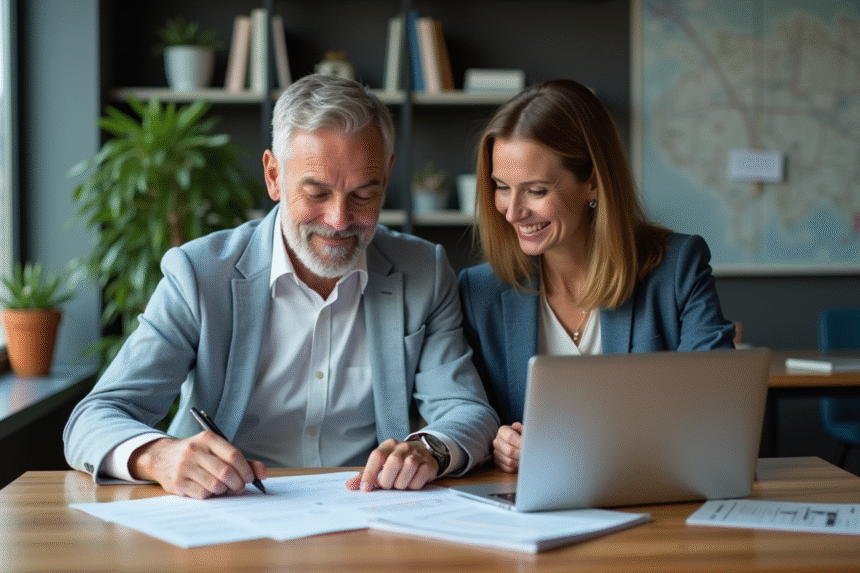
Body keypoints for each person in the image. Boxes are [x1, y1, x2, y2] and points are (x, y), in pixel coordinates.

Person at [64, 74, 499, 499]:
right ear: (273, 176)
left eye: (363, 195)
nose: (339, 220)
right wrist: (158, 456)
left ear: (386, 177)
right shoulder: (199, 274)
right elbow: (93, 417)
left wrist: (430, 448)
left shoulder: (424, 271)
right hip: (230, 510)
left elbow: (467, 410)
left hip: (367, 507)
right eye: (317, 194)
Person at [457, 79, 735, 473]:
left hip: (652, 491)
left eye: (535, 191)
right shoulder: (479, 291)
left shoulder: (677, 267)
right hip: (530, 500)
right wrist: (496, 442)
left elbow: (716, 405)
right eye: (502, 187)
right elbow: (463, 412)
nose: (512, 211)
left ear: (592, 182)